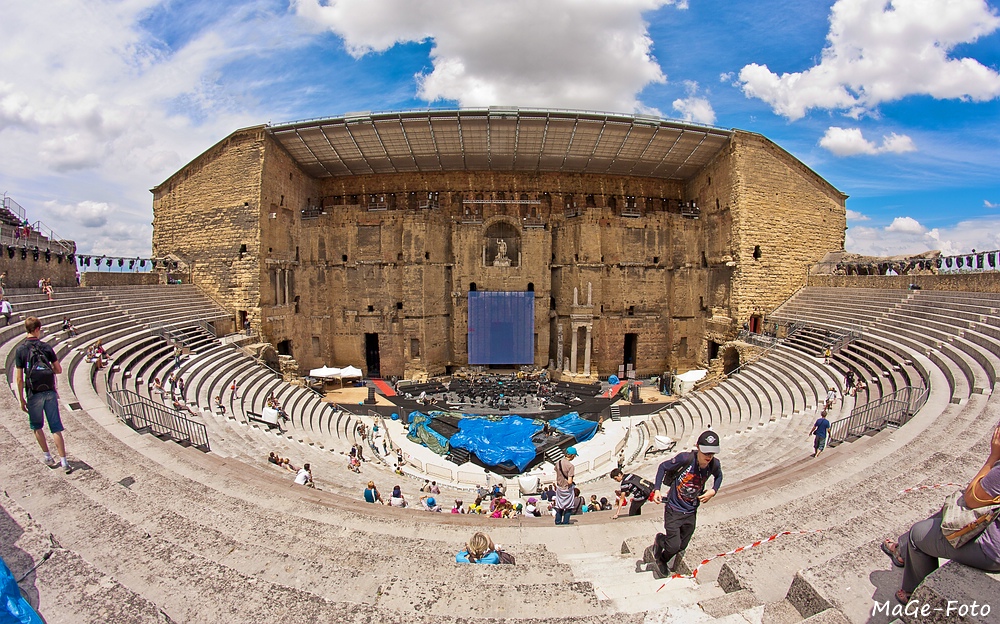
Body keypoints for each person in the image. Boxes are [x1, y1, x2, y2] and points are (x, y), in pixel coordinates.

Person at [881, 424, 1000, 604]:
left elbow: (972, 498)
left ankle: (916, 596)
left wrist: (993, 457)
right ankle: (902, 551)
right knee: (949, 511)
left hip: (991, 550)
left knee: (917, 535)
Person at [649, 430, 723, 577]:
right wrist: (657, 489)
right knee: (673, 545)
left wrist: (713, 490)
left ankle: (665, 547)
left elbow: (719, 476)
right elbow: (663, 467)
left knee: (682, 545)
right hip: (674, 509)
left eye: (712, 453)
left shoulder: (714, 464)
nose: (709, 456)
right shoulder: (685, 459)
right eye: (705, 452)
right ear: (698, 447)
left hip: (691, 510)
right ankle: (661, 554)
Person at [14, 317, 72, 473]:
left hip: (33, 392)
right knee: (55, 427)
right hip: (50, 390)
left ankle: (47, 456)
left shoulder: (20, 350)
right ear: (37, 329)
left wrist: (21, 399)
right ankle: (64, 462)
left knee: (37, 426)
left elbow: (19, 378)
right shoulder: (46, 347)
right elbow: (58, 369)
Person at [553, 446, 577, 525]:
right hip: (567, 488)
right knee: (568, 506)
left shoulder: (558, 462)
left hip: (559, 487)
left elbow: (556, 471)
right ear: (572, 455)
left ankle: (558, 521)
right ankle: (566, 522)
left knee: (559, 505)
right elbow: (569, 481)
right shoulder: (570, 466)